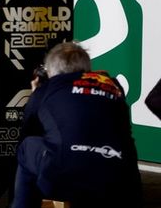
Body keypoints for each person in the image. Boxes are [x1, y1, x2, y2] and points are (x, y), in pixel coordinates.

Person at [13, 41, 141, 208]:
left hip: (64, 178)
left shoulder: (47, 89)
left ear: (51, 70)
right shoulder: (113, 86)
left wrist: (36, 94)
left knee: (26, 147)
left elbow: (27, 131)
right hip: (119, 185)